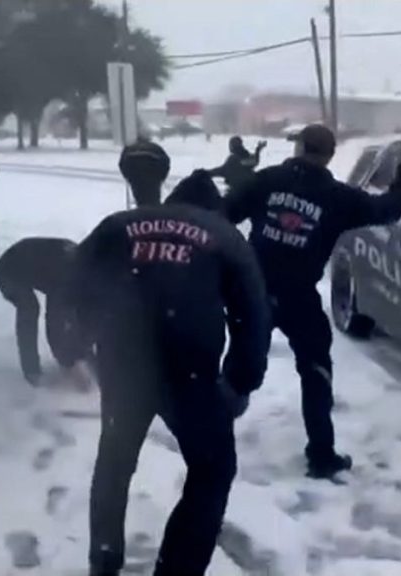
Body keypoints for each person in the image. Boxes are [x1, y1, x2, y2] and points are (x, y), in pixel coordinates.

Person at [70, 169, 271, 576]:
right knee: (212, 470)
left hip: (124, 361)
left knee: (115, 460)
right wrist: (240, 381)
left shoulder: (118, 225)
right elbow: (253, 314)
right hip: (190, 369)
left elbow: (74, 282)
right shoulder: (225, 236)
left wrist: (82, 344)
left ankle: (104, 559)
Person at [224, 124, 401, 479]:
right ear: (329, 155)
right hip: (299, 298)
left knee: (241, 368)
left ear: (298, 148)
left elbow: (224, 213)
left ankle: (212, 437)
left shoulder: (267, 180)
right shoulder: (338, 197)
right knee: (316, 373)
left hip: (253, 292)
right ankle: (321, 455)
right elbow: (384, 210)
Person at [0, 237, 90, 385]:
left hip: (29, 263)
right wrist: (69, 363)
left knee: (71, 313)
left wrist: (82, 354)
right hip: (7, 272)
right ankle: (31, 371)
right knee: (30, 309)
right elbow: (55, 324)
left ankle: (73, 358)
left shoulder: (83, 264)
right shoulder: (66, 277)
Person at [117, 137, 170, 207]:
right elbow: (165, 162)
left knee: (140, 196)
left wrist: (129, 177)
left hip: (134, 175)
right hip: (154, 175)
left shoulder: (128, 150)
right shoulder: (156, 149)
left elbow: (122, 164)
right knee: (153, 198)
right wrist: (161, 177)